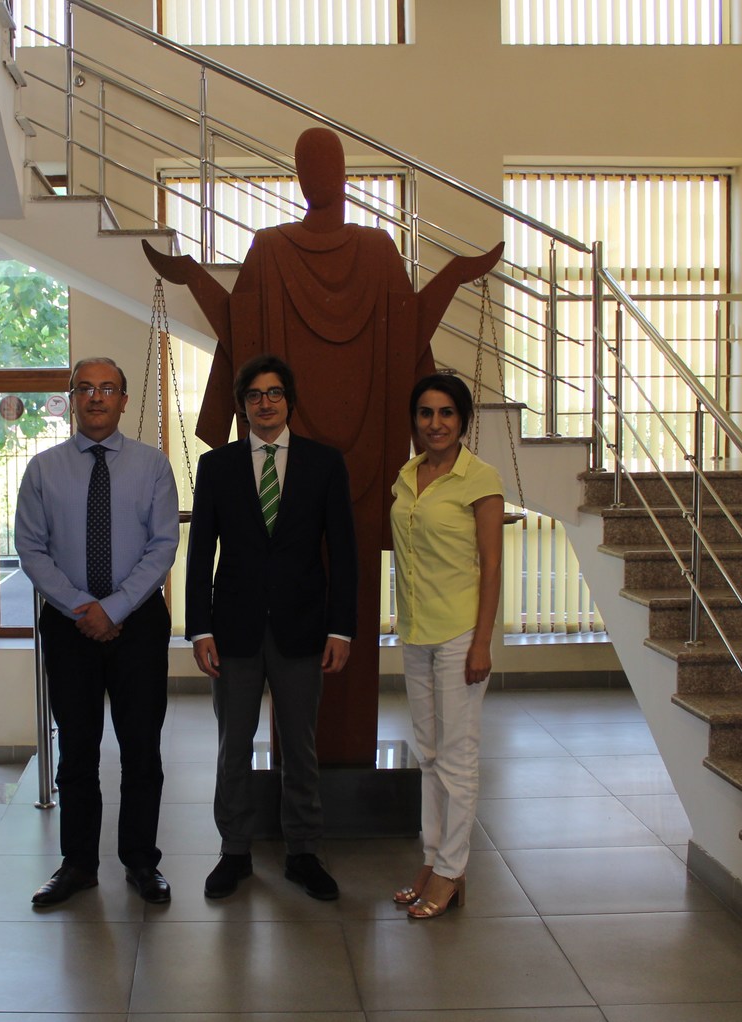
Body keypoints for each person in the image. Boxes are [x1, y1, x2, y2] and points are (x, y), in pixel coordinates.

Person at [145, 126, 503, 766]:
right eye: (308, 165)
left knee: (349, 609)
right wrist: (192, 276)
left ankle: (342, 764)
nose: (319, 176)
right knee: (293, 614)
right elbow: (240, 328)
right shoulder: (269, 249)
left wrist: (454, 276)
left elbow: (407, 330)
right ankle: (301, 775)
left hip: (366, 466)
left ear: (342, 174)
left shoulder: (378, 250)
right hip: (292, 473)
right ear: (300, 176)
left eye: (328, 164)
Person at [185, 354, 358, 900]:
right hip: (232, 632)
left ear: (290, 401)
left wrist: (341, 629)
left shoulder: (324, 464)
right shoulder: (216, 466)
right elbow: (200, 553)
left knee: (300, 748)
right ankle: (234, 851)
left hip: (303, 629)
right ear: (243, 405)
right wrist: (199, 629)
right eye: (255, 395)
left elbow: (344, 553)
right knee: (233, 745)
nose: (265, 403)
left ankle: (303, 852)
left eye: (275, 393)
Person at [15, 357, 180, 907]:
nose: (96, 397)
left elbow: (163, 545)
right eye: (84, 388)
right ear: (71, 399)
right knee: (77, 749)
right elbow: (31, 548)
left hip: (139, 624)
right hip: (70, 627)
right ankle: (78, 864)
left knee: (141, 748)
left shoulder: (153, 466)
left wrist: (114, 608)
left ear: (124, 400)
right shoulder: (43, 469)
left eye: (108, 388)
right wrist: (83, 607)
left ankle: (141, 861)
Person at [389, 372, 504, 919]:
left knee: (457, 758)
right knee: (429, 753)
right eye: (426, 413)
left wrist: (482, 642)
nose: (435, 424)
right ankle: (432, 860)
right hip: (416, 630)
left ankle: (453, 871)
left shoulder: (480, 479)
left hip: (459, 634)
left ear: (463, 421)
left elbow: (492, 568)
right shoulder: (407, 475)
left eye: (446, 413)